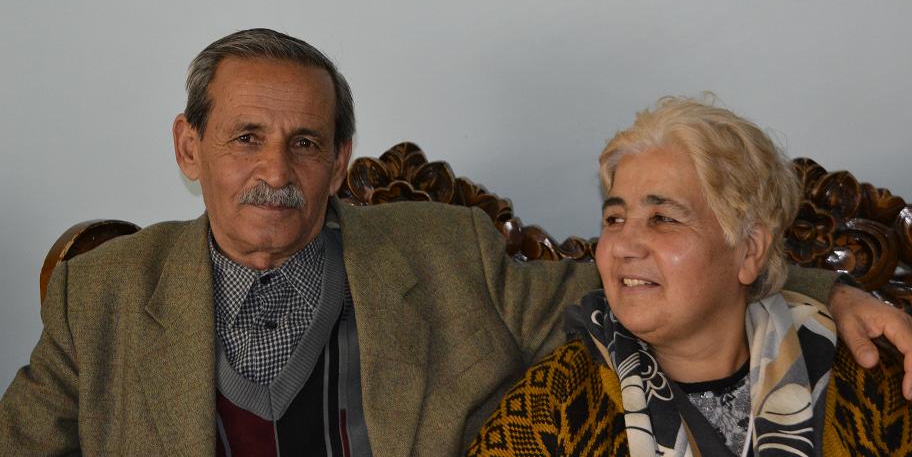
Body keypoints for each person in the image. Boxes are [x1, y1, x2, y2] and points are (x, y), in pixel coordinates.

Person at [0, 31, 907, 456]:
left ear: (339, 161)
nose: (276, 169)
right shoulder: (101, 290)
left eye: (306, 142)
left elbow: (646, 284)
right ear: (188, 148)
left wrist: (823, 287)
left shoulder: (444, 256)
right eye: (245, 137)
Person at [468, 96, 912, 456]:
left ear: (749, 250)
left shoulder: (865, 376)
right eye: (614, 219)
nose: (623, 246)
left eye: (662, 218)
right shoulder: (554, 407)